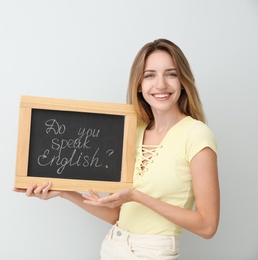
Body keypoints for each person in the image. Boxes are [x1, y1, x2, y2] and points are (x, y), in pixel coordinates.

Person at [14, 38, 220, 260]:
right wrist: (64, 192)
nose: (160, 84)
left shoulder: (196, 134)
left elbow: (207, 226)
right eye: (149, 75)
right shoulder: (132, 130)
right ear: (139, 85)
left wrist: (137, 196)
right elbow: (116, 214)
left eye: (171, 73)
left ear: (183, 81)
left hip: (154, 251)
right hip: (114, 245)